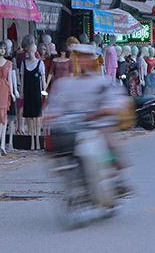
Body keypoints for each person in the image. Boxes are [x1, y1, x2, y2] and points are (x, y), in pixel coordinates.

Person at [45, 44, 131, 193]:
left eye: (86, 58)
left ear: (93, 60)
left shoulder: (104, 82)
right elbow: (57, 105)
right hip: (75, 126)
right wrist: (50, 115)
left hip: (98, 124)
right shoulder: (67, 84)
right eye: (80, 58)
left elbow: (115, 100)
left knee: (110, 142)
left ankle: (119, 178)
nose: (82, 61)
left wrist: (105, 111)